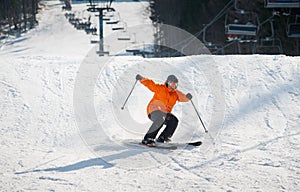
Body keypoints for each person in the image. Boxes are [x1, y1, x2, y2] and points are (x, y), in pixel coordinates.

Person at [136, 74, 193, 146]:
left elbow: (183, 97)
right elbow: (150, 84)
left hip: (165, 113)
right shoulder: (160, 88)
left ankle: (163, 138)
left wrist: (187, 97)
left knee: (174, 120)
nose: (173, 86)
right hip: (153, 110)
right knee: (160, 119)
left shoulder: (176, 93)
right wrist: (142, 79)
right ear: (167, 82)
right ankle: (148, 138)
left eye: (175, 84)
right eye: (171, 84)